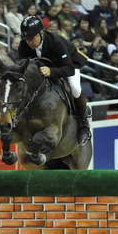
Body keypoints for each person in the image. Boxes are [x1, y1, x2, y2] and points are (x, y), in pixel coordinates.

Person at [18, 15, 92, 145]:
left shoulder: (55, 41)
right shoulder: (24, 44)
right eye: (26, 38)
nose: (29, 42)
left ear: (41, 33)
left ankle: (83, 125)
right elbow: (22, 66)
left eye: (32, 38)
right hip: (43, 67)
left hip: (68, 64)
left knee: (75, 89)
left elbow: (68, 69)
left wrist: (51, 71)